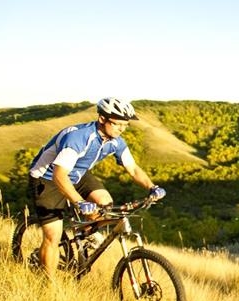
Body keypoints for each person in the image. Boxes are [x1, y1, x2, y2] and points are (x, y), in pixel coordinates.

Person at [27, 97, 166, 278]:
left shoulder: (116, 141)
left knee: (106, 205)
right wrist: (79, 202)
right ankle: (49, 285)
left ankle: (87, 235)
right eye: (117, 124)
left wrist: (152, 187)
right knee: (53, 236)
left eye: (125, 125)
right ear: (102, 119)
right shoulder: (78, 138)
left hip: (78, 174)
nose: (122, 129)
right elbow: (59, 175)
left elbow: (133, 169)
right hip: (47, 178)